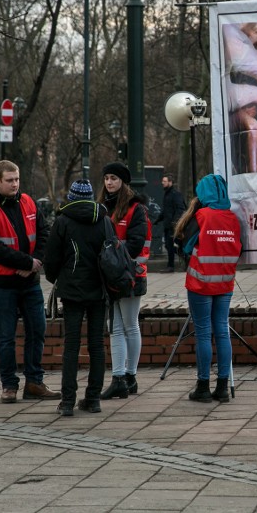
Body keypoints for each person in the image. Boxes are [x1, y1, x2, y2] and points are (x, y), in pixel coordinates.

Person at [0, 160, 58, 403]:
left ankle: (34, 382)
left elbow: (44, 232)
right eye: (9, 180)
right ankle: (9, 385)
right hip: (2, 283)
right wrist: (26, 262)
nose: (14, 184)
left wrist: (36, 261)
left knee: (37, 330)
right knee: (6, 336)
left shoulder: (28, 201)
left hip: (29, 280)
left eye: (17, 179)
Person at [173, 174, 242, 405]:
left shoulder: (201, 216)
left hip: (200, 283)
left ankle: (202, 386)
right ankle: (222, 387)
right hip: (224, 282)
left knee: (203, 333)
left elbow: (185, 244)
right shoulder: (232, 218)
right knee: (222, 331)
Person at [44, 180, 108, 416]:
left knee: (72, 345)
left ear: (71, 198)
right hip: (99, 290)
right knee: (97, 345)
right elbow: (112, 251)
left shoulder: (62, 221)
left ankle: (68, 401)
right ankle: (93, 399)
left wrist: (59, 279)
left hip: (71, 291)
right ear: (91, 197)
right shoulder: (104, 219)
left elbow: (51, 259)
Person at [98, 162, 151, 400]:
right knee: (116, 327)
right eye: (107, 178)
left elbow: (136, 243)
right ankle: (119, 377)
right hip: (111, 275)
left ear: (123, 182)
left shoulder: (135, 208)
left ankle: (129, 375)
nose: (109, 182)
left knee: (129, 325)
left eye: (114, 178)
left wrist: (109, 256)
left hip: (131, 275)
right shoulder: (101, 207)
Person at [156, 174, 186, 273]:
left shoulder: (175, 194)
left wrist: (175, 222)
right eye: (162, 181)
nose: (162, 183)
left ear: (170, 182)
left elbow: (180, 209)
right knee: (169, 246)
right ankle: (181, 259)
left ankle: (172, 265)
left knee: (171, 246)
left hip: (173, 226)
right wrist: (157, 220)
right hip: (168, 224)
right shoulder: (167, 194)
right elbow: (166, 210)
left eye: (164, 181)